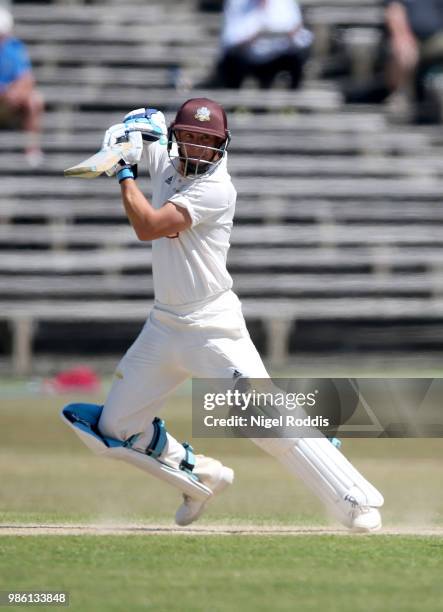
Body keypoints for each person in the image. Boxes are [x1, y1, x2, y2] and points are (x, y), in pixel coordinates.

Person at [61, 97, 383, 531]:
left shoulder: (215, 188)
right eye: (188, 137)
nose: (195, 147)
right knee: (115, 429)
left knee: (262, 417)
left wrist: (122, 171)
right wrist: (132, 128)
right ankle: (201, 475)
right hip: (162, 328)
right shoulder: (171, 160)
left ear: (221, 146)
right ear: (177, 138)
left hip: (213, 327)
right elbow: (146, 128)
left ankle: (357, 501)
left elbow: (147, 226)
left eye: (206, 140)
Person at [345, 1, 443, 122]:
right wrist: (402, 36)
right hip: (408, 38)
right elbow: (395, 13)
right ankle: (401, 96)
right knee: (404, 52)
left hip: (436, 38)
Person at [201, 0, 312, 89]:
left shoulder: (287, 3)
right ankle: (233, 104)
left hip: (277, 56)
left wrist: (291, 35)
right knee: (231, 60)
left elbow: (302, 39)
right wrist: (250, 38)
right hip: (246, 57)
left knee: (297, 58)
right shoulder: (236, 3)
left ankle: (292, 103)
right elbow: (229, 41)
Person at [0, 6, 44, 165]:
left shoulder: (15, 48)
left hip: (9, 102)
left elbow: (26, 78)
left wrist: (15, 93)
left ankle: (31, 149)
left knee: (34, 101)